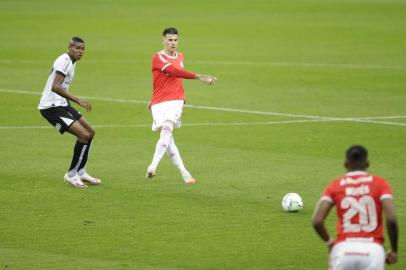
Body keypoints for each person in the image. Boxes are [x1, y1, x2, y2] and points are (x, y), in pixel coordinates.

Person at [146, 27, 217, 184]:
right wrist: (200, 77)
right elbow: (173, 72)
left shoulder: (181, 56)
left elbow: (176, 77)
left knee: (167, 129)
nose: (173, 43)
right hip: (159, 102)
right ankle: (185, 173)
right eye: (170, 40)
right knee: (168, 140)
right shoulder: (157, 57)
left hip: (176, 100)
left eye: (175, 40)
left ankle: (153, 166)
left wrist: (181, 96)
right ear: (163, 40)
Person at [312, 145, 398, 270]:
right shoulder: (380, 184)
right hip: (373, 250)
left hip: (343, 249)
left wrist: (330, 242)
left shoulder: (335, 185)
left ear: (345, 164)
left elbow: (317, 221)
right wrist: (394, 250)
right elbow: (391, 218)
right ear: (367, 163)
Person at [38, 37, 101, 188]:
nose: (80, 51)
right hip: (51, 107)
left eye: (82, 49)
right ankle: (71, 175)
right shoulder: (64, 61)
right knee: (83, 135)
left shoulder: (72, 63)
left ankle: (81, 171)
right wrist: (78, 100)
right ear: (70, 47)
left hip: (62, 104)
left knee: (90, 132)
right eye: (77, 48)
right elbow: (56, 87)